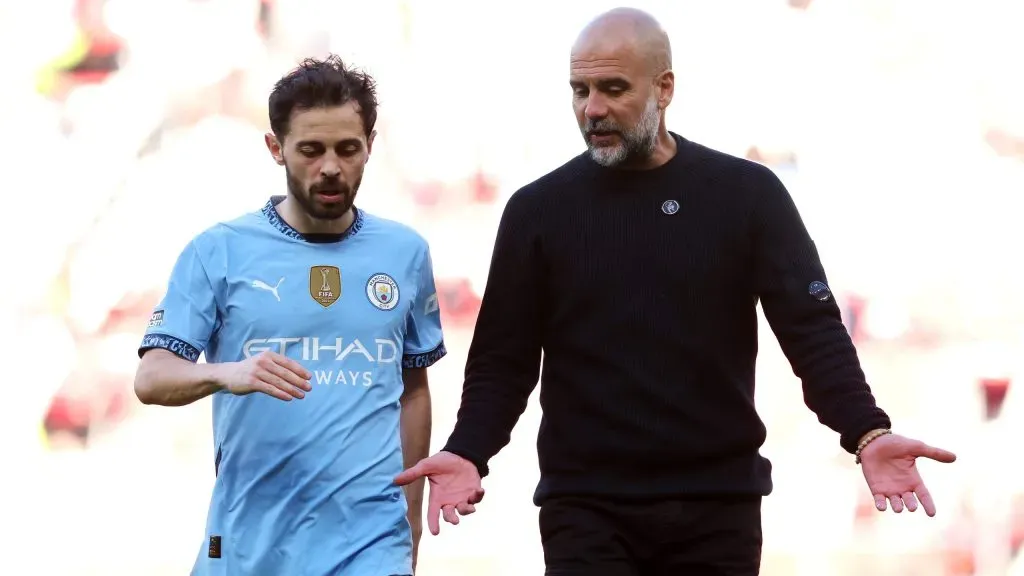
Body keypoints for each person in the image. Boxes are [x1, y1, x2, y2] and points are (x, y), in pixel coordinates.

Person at [395, 8, 956, 576]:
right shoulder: (539, 211)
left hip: (718, 508)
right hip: (586, 510)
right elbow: (502, 359)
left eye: (614, 88)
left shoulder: (745, 195)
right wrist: (469, 449)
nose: (593, 108)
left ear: (664, 88)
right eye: (580, 90)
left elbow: (812, 331)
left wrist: (865, 430)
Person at [134, 55, 445, 576]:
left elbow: (414, 387)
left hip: (371, 540)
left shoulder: (404, 252)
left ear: (370, 144)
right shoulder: (219, 251)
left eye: (347, 149)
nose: (330, 166)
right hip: (253, 539)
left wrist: (409, 522)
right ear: (276, 149)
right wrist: (227, 373)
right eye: (310, 149)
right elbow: (151, 377)